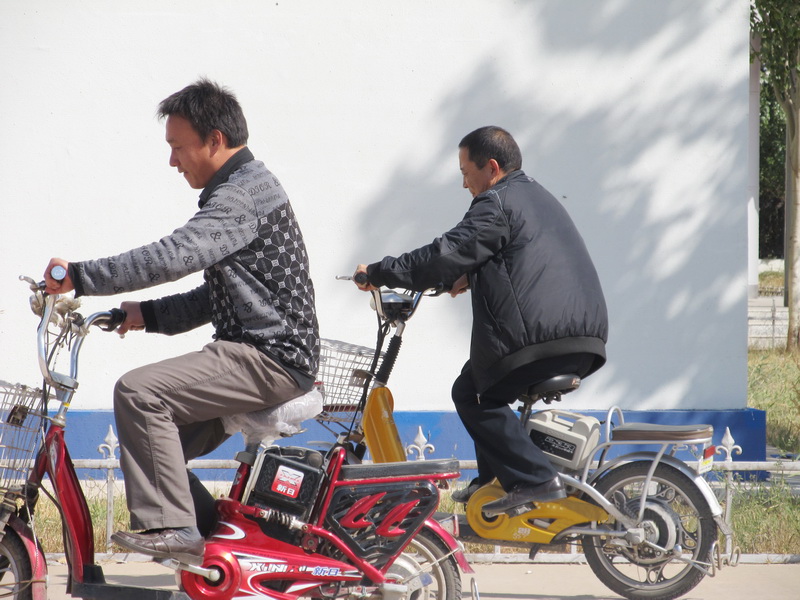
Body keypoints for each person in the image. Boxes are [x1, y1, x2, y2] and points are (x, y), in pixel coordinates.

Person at [43, 79, 319, 564]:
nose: (173, 161)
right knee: (150, 447)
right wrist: (145, 314)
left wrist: (79, 277)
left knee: (139, 394)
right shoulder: (246, 188)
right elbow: (217, 297)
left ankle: (175, 529)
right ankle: (219, 554)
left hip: (268, 358)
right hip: (261, 354)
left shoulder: (240, 196)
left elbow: (173, 255)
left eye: (178, 147)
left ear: (215, 140)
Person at [354, 126, 607, 516]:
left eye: (465, 172)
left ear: (490, 167)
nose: (463, 184)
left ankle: (535, 479)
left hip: (541, 339)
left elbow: (445, 254)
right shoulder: (535, 196)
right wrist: (468, 278)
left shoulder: (497, 202)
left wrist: (379, 272)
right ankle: (495, 483)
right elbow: (522, 258)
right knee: (479, 383)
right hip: (582, 337)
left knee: (473, 393)